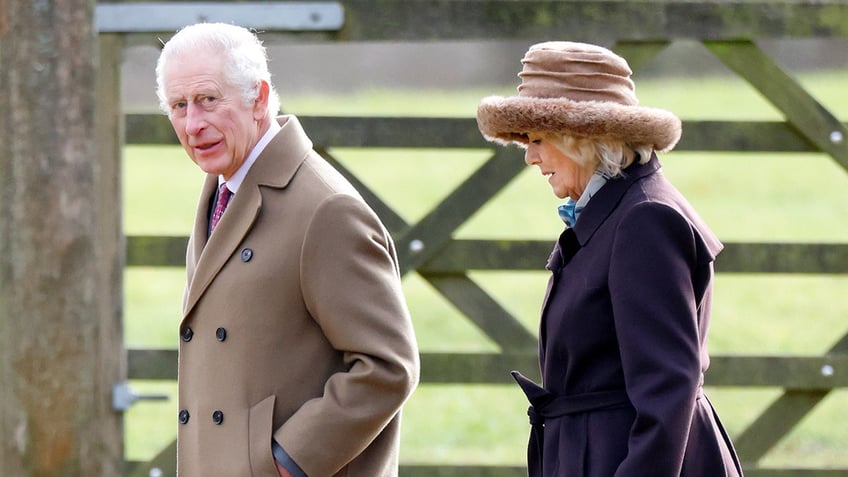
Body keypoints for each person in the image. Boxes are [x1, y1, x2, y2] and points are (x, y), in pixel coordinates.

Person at [155, 23, 420, 477]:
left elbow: (387, 366)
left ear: (258, 97)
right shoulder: (221, 191)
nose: (193, 124)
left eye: (208, 100)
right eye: (179, 106)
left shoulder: (325, 209)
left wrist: (290, 460)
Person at [476, 42, 743, 476]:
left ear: (581, 137)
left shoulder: (645, 220)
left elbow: (667, 389)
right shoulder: (617, 210)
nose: (530, 156)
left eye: (538, 138)